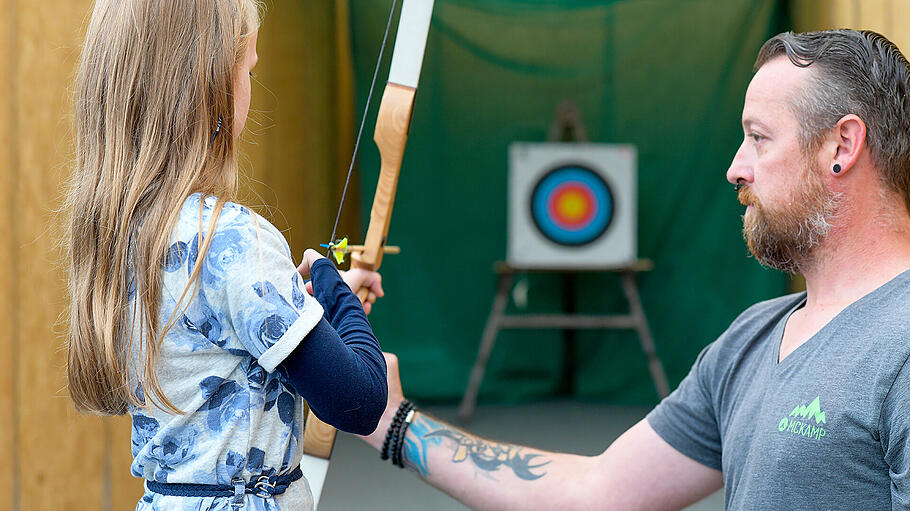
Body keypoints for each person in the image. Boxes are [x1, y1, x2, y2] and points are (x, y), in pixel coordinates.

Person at [360, 29, 910, 509]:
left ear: (842, 144)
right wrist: (391, 421)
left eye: (758, 138)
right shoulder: (751, 341)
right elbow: (595, 493)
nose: (734, 168)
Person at [63, 1, 386, 509]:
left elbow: (222, 343)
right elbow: (360, 401)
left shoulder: (122, 233)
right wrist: (334, 292)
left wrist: (310, 311)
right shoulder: (234, 241)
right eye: (249, 70)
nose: (252, 90)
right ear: (211, 86)